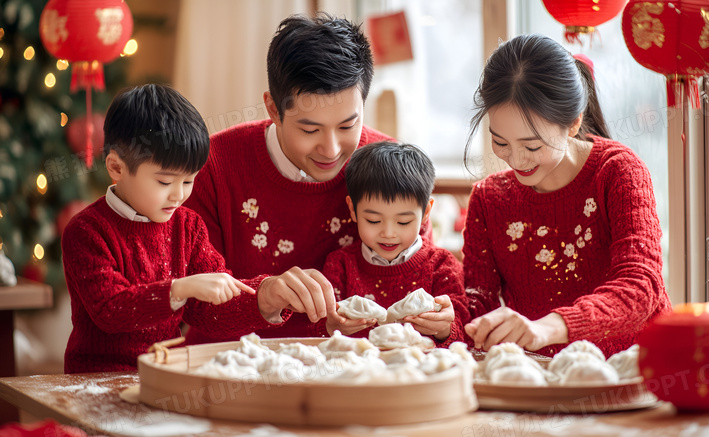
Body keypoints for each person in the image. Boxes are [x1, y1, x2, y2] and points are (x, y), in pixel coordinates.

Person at [183, 13, 429, 344]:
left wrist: (437, 316)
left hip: (355, 372)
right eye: (309, 129)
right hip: (228, 368)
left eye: (347, 126)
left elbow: (422, 278)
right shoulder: (214, 165)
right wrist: (264, 295)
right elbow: (191, 304)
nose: (330, 149)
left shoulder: (394, 168)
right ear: (273, 109)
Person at [462, 34, 672, 358]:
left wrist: (547, 328)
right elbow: (479, 308)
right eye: (500, 142)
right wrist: (447, 322)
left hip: (636, 375)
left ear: (573, 123)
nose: (516, 161)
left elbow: (640, 287)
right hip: (545, 387)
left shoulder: (617, 172)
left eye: (532, 146)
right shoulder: (489, 200)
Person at [62, 84, 293, 373]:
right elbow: (111, 310)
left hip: (162, 372)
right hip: (95, 379)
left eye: (188, 181)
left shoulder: (189, 226)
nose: (178, 195)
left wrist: (266, 298)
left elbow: (212, 314)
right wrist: (180, 289)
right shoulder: (86, 231)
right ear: (117, 168)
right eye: (164, 182)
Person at [316, 142, 469, 346]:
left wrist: (443, 329)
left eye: (403, 222)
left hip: (419, 373)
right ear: (352, 209)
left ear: (425, 213)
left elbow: (464, 334)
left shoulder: (441, 264)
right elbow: (317, 330)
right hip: (356, 374)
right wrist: (331, 326)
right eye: (373, 221)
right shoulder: (340, 265)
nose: (388, 233)